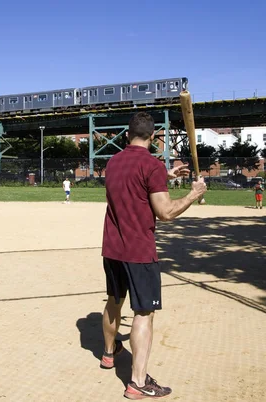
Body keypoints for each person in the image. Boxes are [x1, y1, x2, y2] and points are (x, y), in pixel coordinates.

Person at [100, 112, 207, 399]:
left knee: (114, 301)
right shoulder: (151, 164)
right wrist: (193, 194)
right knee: (144, 313)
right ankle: (137, 382)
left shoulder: (113, 162)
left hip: (112, 247)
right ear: (154, 136)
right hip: (138, 250)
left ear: (127, 134)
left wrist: (165, 176)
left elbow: (132, 187)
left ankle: (109, 354)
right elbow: (166, 212)